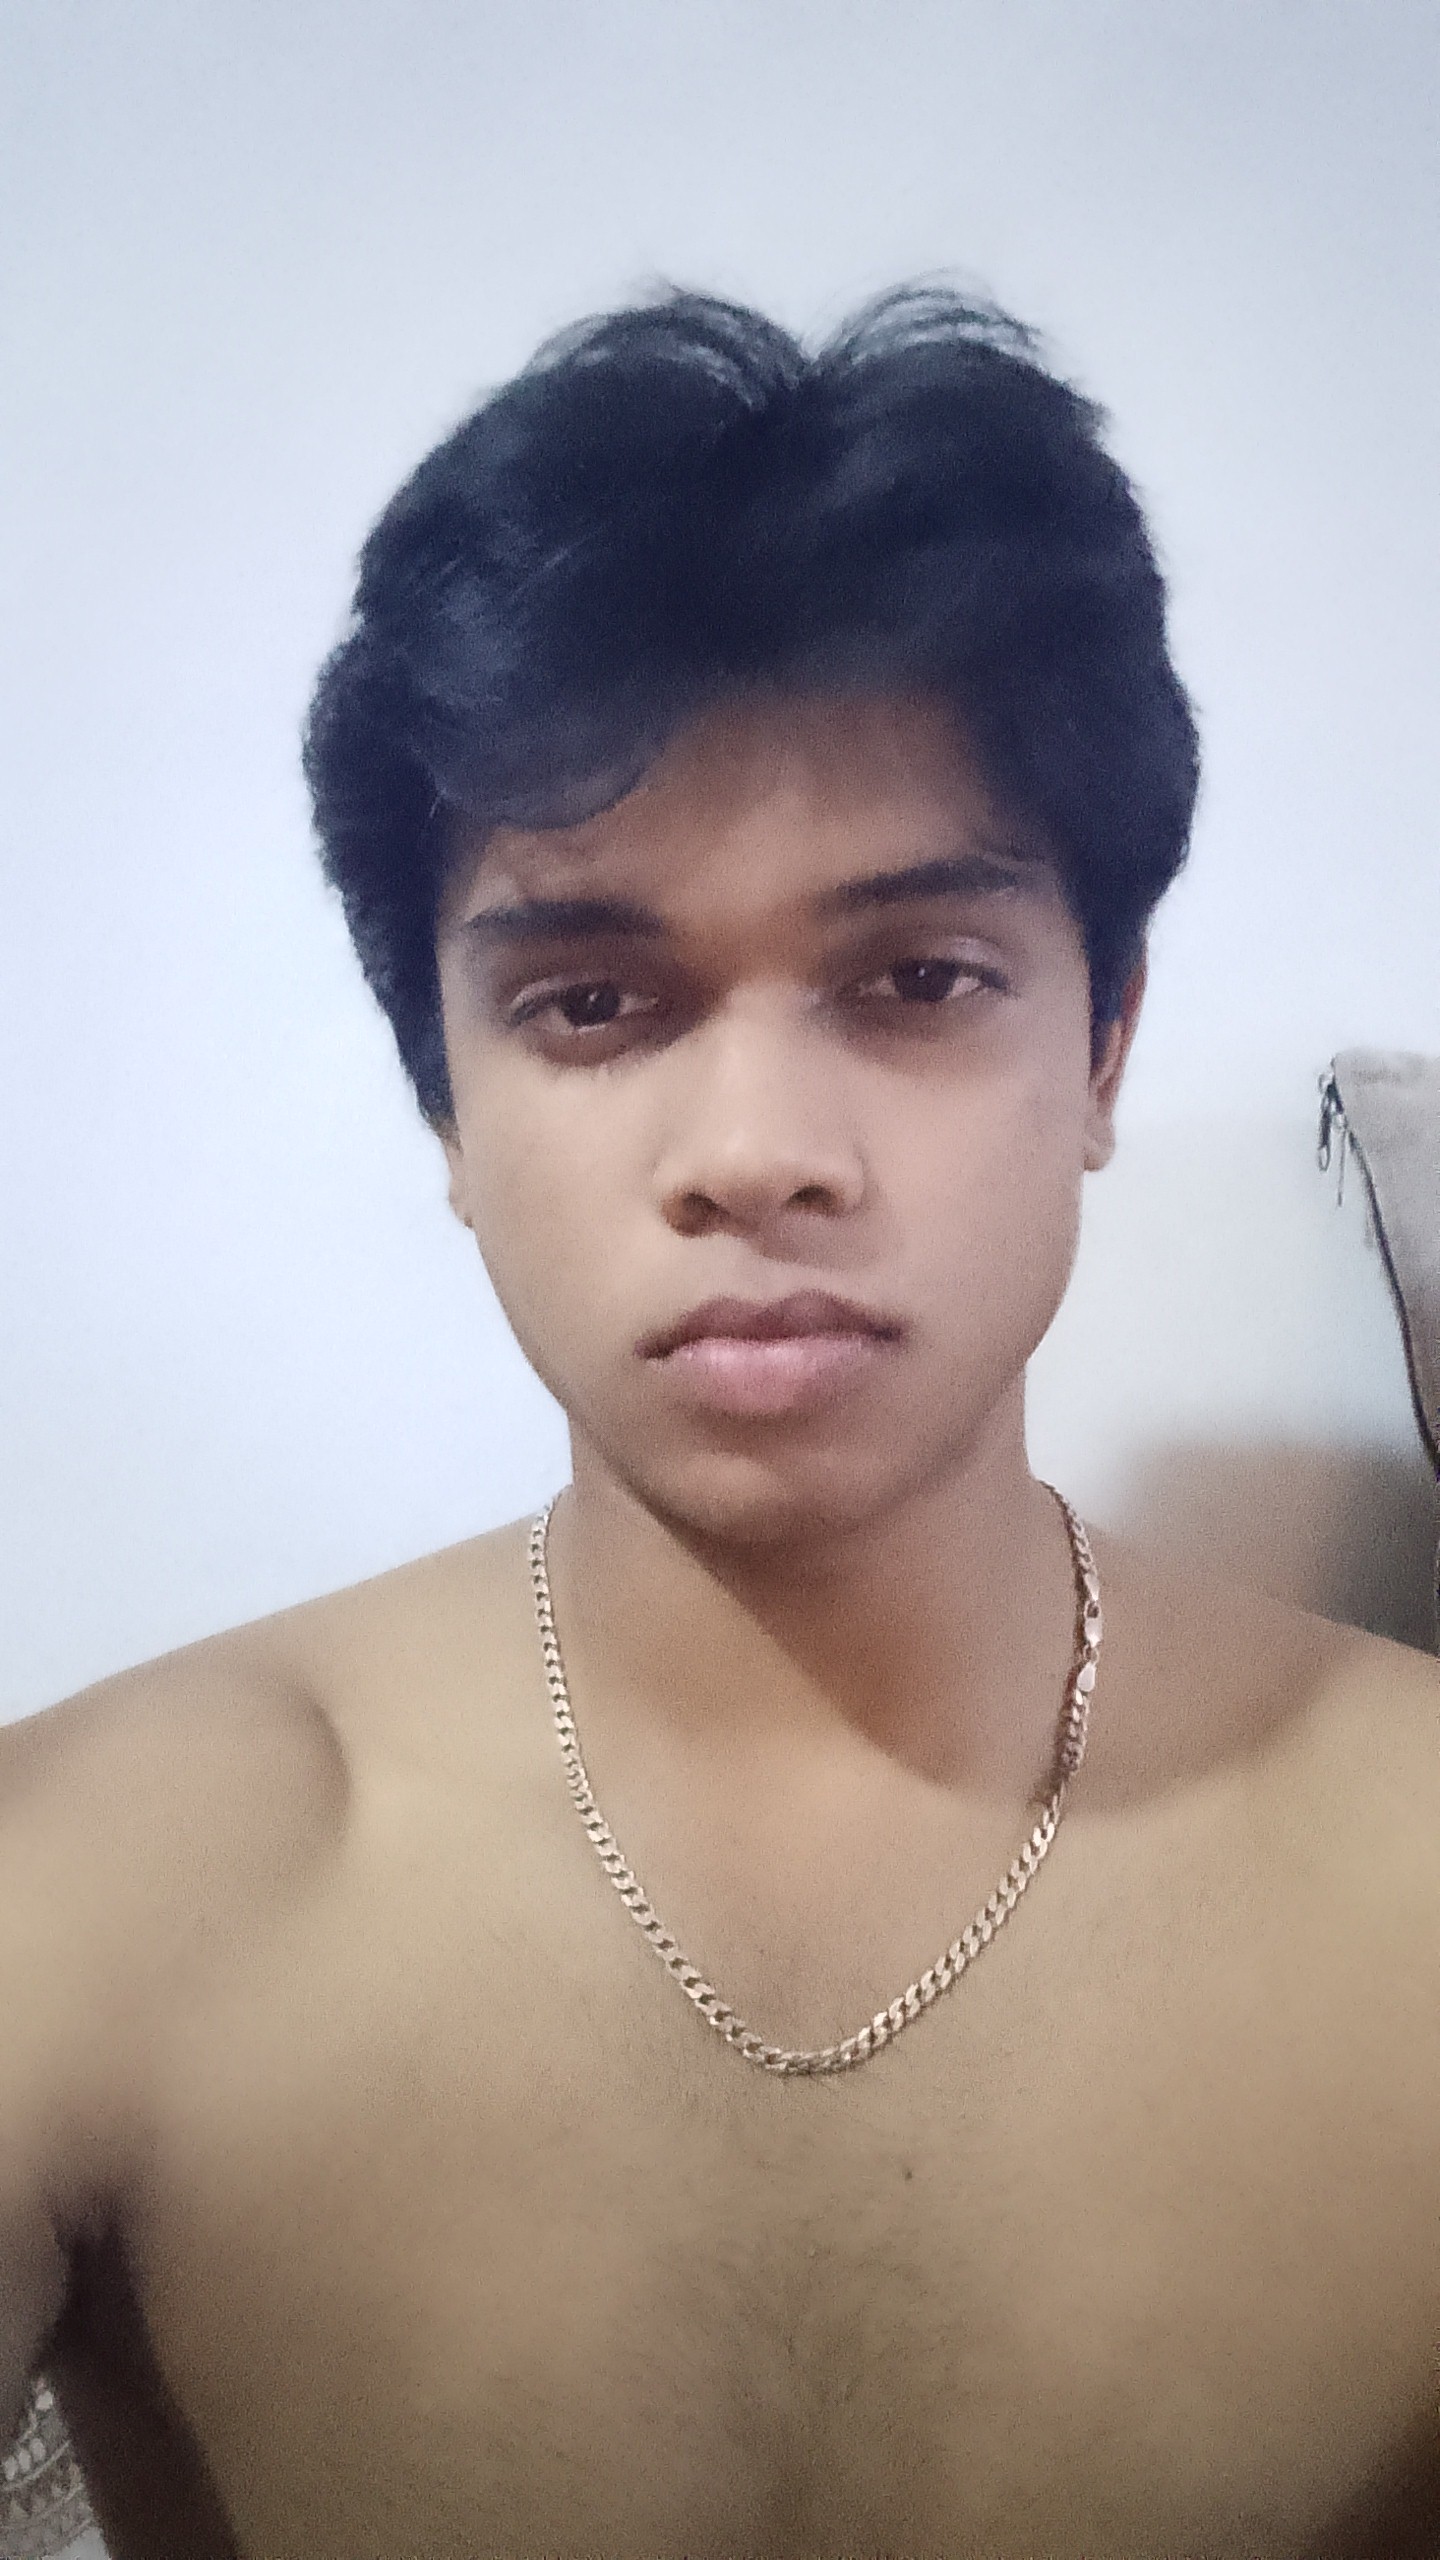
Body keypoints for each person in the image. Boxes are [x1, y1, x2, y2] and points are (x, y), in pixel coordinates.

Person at [3, 285, 1436, 2560]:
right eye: (592, 1000)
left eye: (918, 976)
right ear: (446, 1102)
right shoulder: (95, 1881)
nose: (757, 1149)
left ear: (1103, 1047)